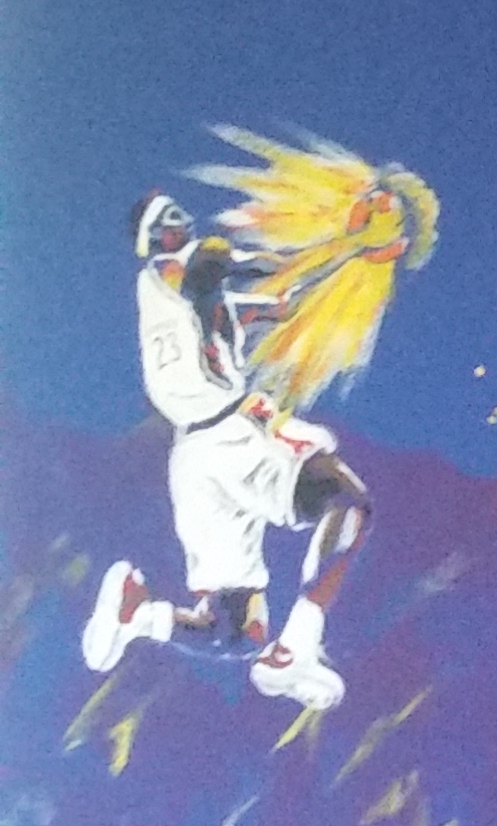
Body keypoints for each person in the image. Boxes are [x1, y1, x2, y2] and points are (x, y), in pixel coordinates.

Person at [81, 139, 428, 711]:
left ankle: (139, 615)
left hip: (194, 459)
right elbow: (254, 267)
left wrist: (351, 251)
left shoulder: (197, 297)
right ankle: (299, 647)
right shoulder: (182, 269)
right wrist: (353, 238)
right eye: (167, 219)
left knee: (236, 632)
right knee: (347, 503)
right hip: (228, 436)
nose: (181, 220)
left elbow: (283, 299)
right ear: (152, 240)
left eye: (178, 213)